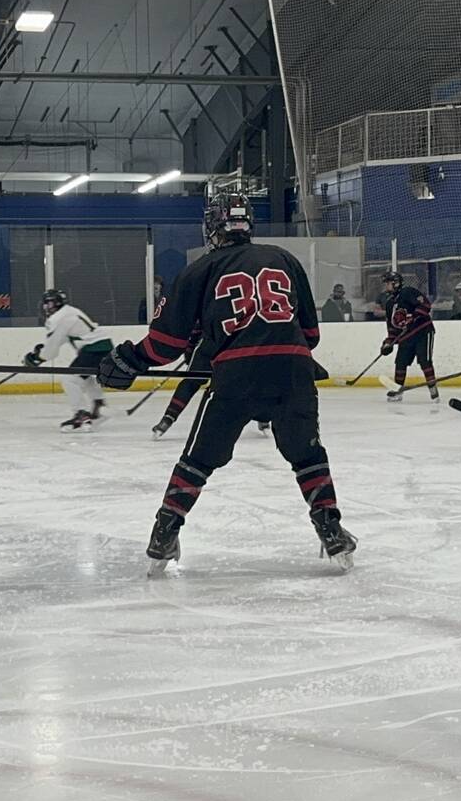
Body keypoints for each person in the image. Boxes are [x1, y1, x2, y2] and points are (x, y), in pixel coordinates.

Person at [97, 193, 354, 575]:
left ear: (212, 226)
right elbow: (310, 334)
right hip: (293, 370)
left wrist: (129, 359)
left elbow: (165, 345)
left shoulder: (198, 270)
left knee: (198, 460)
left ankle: (164, 533)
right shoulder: (284, 259)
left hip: (235, 375)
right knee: (307, 454)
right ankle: (330, 530)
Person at [25, 288, 113, 430]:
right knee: (84, 377)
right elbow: (61, 339)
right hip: (102, 347)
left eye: (50, 303)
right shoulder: (69, 311)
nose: (46, 307)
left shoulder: (59, 318)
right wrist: (42, 352)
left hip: (94, 350)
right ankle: (99, 407)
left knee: (69, 379)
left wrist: (37, 357)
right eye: (46, 303)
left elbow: (51, 350)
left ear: (57, 303)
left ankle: (81, 415)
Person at [378, 270, 439, 402]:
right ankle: (398, 391)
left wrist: (415, 316)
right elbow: (392, 328)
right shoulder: (389, 304)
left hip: (423, 331)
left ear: (396, 283)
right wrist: (388, 343)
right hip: (406, 335)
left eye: (388, 283)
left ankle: (433, 391)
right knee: (400, 362)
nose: (386, 286)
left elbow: (426, 305)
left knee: (425, 361)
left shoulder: (408, 292)